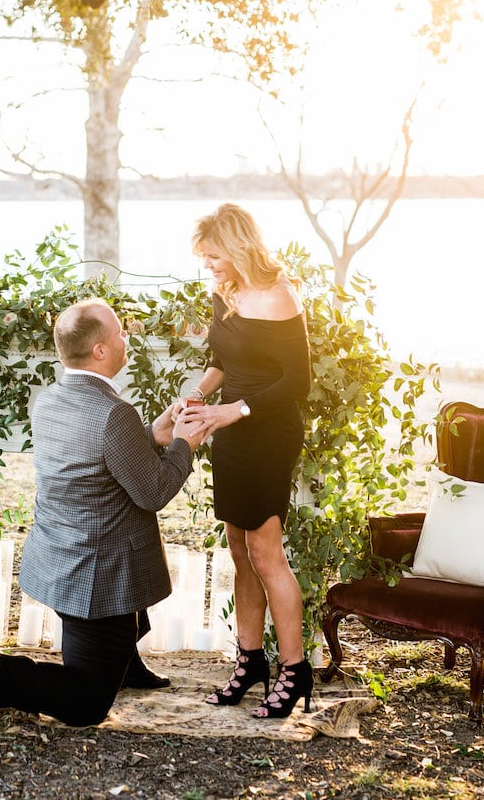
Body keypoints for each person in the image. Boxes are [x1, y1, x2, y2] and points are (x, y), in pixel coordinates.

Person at [0, 298, 201, 733]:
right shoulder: (114, 413)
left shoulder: (51, 399)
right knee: (86, 703)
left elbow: (95, 459)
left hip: (59, 553)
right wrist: (183, 442)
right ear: (100, 351)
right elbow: (153, 492)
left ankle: (123, 664)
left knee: (126, 578)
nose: (126, 337)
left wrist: (151, 435)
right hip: (97, 576)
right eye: (119, 333)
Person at [178, 203, 312, 720]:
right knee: (239, 550)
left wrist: (235, 409)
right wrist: (196, 395)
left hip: (268, 431)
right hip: (228, 428)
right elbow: (222, 361)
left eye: (213, 256)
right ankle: (250, 660)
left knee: (266, 553)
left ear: (236, 248)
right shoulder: (225, 292)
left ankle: (295, 670)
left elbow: (297, 382)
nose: (208, 266)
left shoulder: (279, 295)